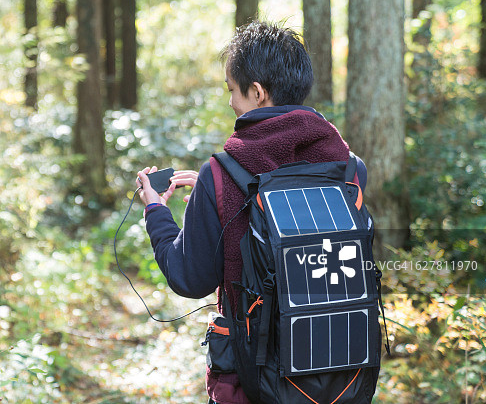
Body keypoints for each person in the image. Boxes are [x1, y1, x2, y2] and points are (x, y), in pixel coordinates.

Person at [135, 21, 366, 404]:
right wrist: (212, 194)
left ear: (257, 92)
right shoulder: (348, 168)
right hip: (340, 372)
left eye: (231, 90)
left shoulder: (222, 173)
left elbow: (188, 278)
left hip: (252, 380)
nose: (230, 102)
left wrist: (156, 211)